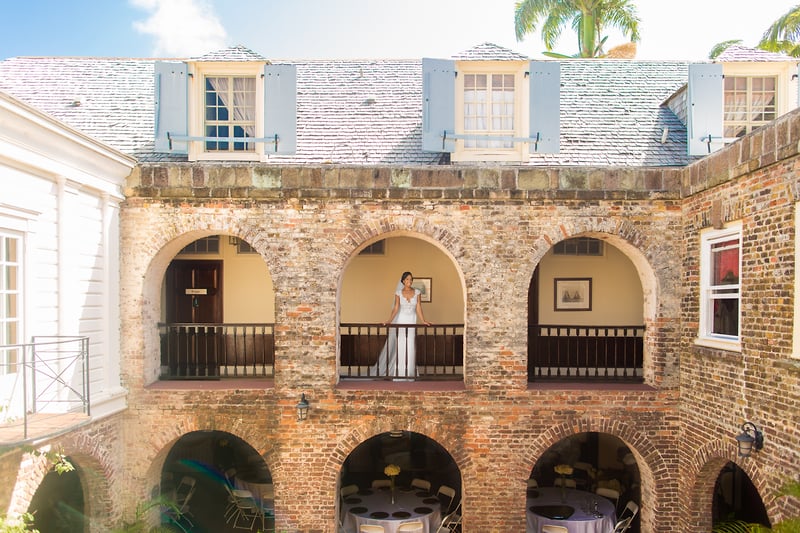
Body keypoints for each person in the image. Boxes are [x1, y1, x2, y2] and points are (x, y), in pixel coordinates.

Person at [374, 271, 431, 379]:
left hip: (411, 321)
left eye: (411, 279)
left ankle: (409, 373)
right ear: (403, 281)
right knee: (401, 346)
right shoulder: (398, 293)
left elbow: (418, 307)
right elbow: (396, 308)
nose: (410, 281)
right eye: (407, 279)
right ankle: (400, 373)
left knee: (410, 346)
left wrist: (423, 320)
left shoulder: (417, 292)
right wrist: (389, 320)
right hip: (401, 321)